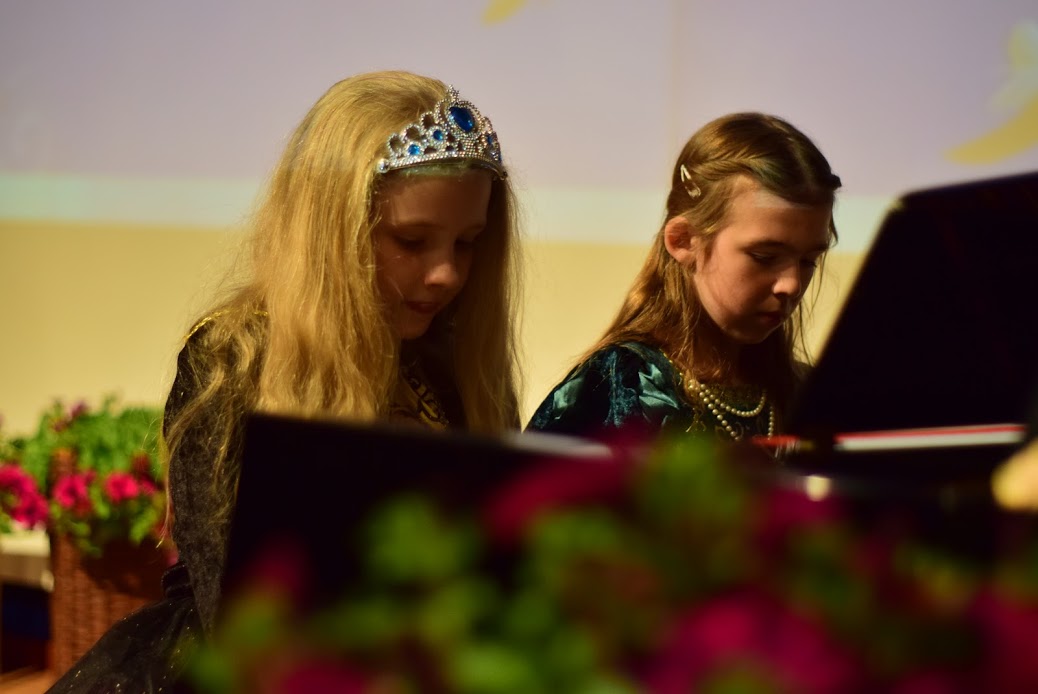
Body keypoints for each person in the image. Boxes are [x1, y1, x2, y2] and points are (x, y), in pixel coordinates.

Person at [49, 70, 522, 691]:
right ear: (332, 231)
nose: (446, 275)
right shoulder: (236, 360)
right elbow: (239, 608)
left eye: (467, 244)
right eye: (412, 241)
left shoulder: (456, 364)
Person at [527, 112, 840, 442]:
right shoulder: (621, 386)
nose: (792, 284)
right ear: (683, 241)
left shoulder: (807, 395)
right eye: (764, 257)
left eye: (809, 261)